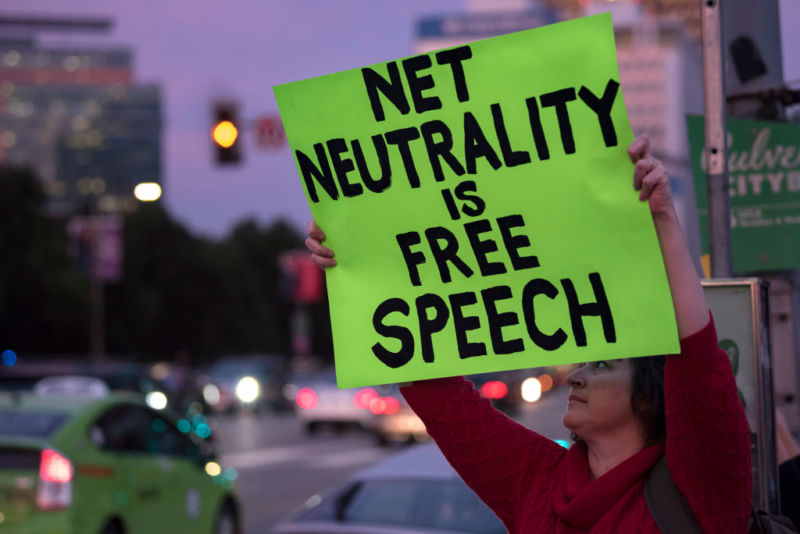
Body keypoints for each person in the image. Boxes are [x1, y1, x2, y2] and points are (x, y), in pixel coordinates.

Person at [305, 135, 752, 533]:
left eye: (601, 366)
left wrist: (665, 225)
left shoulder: (703, 487)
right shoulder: (535, 480)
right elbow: (436, 392)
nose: (576, 377)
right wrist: (357, 262)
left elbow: (697, 365)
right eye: (582, 363)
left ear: (652, 395)